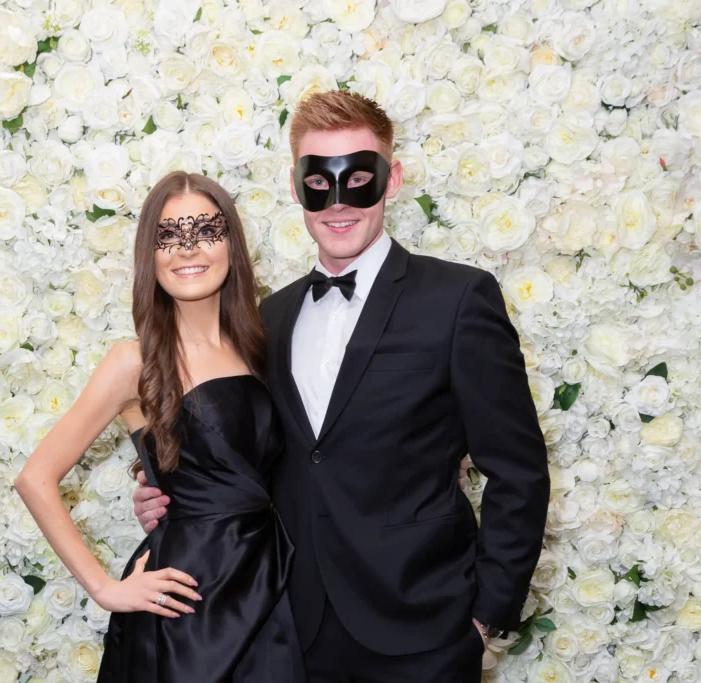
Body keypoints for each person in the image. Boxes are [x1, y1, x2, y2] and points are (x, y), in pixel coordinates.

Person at [133, 91, 551, 682]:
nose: (337, 203)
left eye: (357, 179)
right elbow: (249, 450)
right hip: (290, 628)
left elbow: (518, 469)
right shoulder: (266, 320)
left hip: (425, 629)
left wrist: (485, 617)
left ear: (391, 179)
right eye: (318, 182)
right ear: (295, 186)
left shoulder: (458, 299)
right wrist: (172, 493)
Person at [14, 171, 306, 682]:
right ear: (149, 255)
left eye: (206, 230)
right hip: (186, 603)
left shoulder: (259, 346)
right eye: (168, 236)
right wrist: (105, 588)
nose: (187, 248)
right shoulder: (133, 362)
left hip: (272, 580)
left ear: (232, 245)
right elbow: (35, 478)